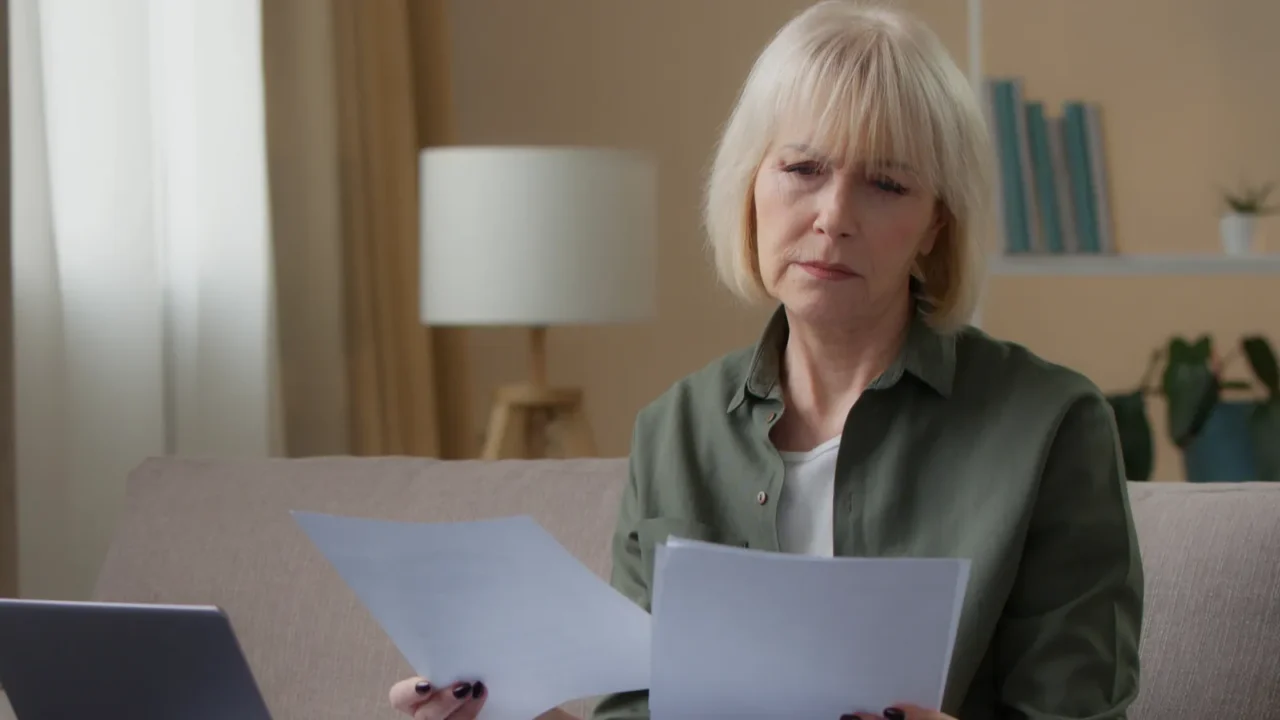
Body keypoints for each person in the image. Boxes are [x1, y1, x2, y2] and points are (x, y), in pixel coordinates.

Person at [390, 1, 1144, 718]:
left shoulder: (1052, 426)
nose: (834, 217)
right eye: (803, 168)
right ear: (751, 184)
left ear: (934, 226)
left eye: (885, 183)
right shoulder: (674, 428)